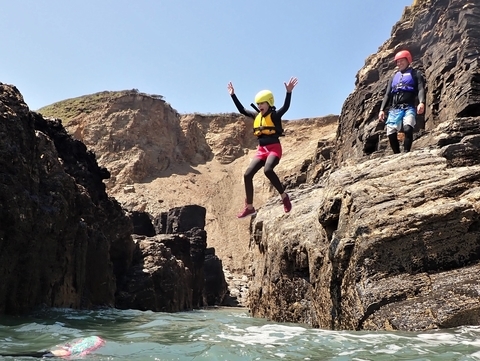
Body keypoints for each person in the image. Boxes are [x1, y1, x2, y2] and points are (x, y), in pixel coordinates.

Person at [227, 77, 298, 218]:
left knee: (268, 170)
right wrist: (233, 95)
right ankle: (249, 207)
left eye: (262, 103)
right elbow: (242, 110)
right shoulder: (256, 115)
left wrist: (288, 93)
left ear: (269, 103)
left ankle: (284, 197)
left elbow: (286, 107)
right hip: (261, 150)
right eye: (258, 104)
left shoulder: (275, 115)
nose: (260, 106)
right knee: (247, 175)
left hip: (274, 148)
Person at [378, 50, 426, 153]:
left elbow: (421, 88)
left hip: (408, 107)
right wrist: (382, 109)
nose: (399, 63)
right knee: (390, 133)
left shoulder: (415, 73)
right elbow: (387, 94)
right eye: (397, 62)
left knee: (408, 128)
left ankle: (406, 152)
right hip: (394, 109)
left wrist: (421, 102)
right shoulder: (393, 77)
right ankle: (397, 154)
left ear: (408, 60)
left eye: (401, 61)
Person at [0, 335, 105, 358]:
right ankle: (5, 354)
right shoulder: (98, 343)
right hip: (65, 353)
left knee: (34, 354)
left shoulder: (91, 338)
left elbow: (74, 343)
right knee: (36, 355)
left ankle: (4, 354)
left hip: (62, 350)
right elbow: (84, 352)